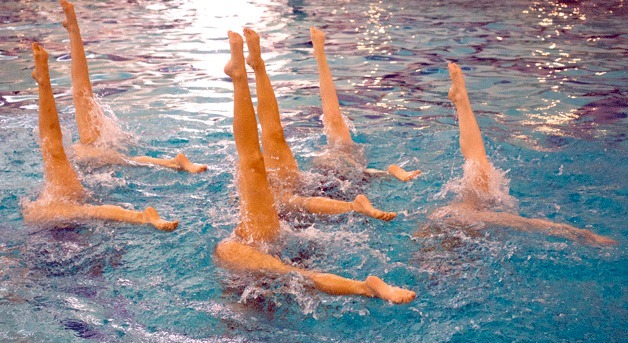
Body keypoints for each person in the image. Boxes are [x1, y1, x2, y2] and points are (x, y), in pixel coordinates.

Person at [214, 31, 415, 304]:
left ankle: (245, 72)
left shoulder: (239, 250)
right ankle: (252, 68)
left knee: (258, 162)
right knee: (266, 149)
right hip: (274, 231)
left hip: (261, 240)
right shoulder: (260, 230)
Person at [420, 62, 617, 246]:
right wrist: (581, 235)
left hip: (459, 220)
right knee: (478, 169)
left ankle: (461, 101)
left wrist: (581, 235)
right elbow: (528, 224)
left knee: (479, 173)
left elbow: (527, 224)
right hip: (461, 220)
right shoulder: (463, 220)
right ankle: (461, 101)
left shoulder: (460, 219)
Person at [240, 27, 419, 221]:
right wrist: (399, 173)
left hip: (323, 197)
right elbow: (389, 170)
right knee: (290, 192)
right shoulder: (353, 165)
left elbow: (389, 170)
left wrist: (399, 173)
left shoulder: (347, 167)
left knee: (288, 195)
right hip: (326, 195)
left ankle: (312, 56)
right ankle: (314, 56)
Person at [23, 42, 178, 232]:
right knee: (74, 200)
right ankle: (43, 80)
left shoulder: (49, 204)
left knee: (55, 158)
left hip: (65, 211)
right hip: (80, 203)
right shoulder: (86, 153)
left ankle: (43, 81)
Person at [59, 0, 207, 173]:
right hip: (98, 149)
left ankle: (173, 163)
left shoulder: (79, 150)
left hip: (89, 153)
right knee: (83, 95)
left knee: (82, 97)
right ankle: (173, 162)